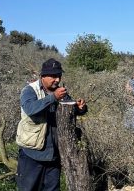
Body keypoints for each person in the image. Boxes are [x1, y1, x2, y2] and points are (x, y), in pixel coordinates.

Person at [15, 58, 87, 191]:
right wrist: (53, 97)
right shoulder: (29, 90)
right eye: (53, 76)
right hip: (32, 153)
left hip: (54, 155)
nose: (57, 80)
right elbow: (30, 109)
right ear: (42, 76)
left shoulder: (61, 92)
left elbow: (68, 111)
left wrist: (80, 108)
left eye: (59, 76)